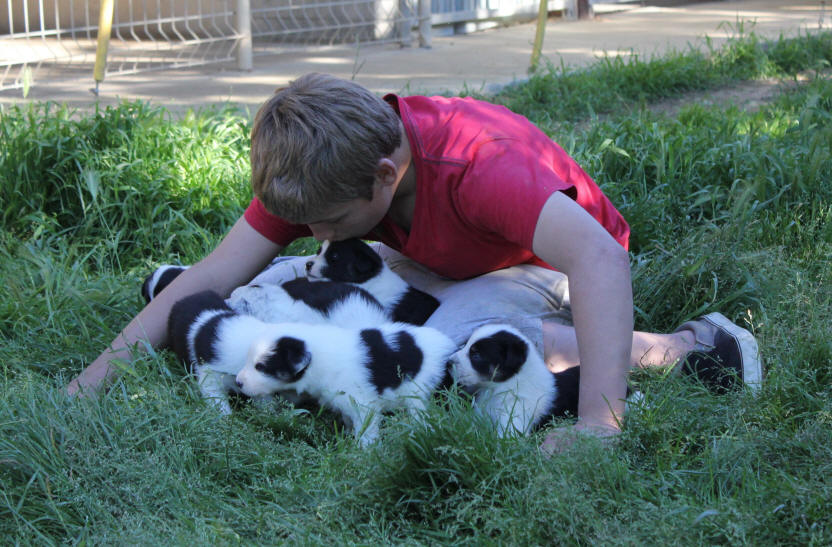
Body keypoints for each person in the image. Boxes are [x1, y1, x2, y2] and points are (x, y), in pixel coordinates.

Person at [67, 73, 761, 452]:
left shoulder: (480, 167)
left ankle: (687, 347)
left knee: (449, 354)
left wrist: (597, 428)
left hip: (548, 271)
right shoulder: (324, 170)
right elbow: (215, 272)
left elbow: (601, 256)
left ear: (386, 172)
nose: (308, 230)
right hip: (438, 260)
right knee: (279, 283)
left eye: (328, 220)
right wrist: (90, 384)